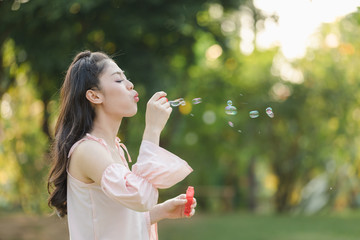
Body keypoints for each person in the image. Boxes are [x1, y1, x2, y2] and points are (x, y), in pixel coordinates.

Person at [47, 50, 196, 240]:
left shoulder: (115, 149)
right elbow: (141, 197)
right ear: (94, 96)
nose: (130, 84)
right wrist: (152, 129)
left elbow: (117, 222)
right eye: (118, 80)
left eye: (126, 78)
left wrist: (160, 212)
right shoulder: (87, 151)